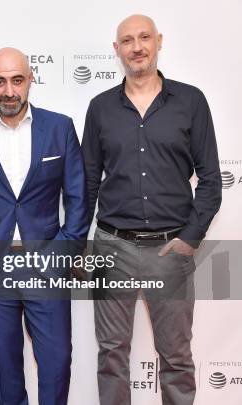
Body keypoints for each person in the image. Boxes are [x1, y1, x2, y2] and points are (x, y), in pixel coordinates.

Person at [82, 14, 222, 405]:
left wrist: (190, 238)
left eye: (144, 37)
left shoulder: (191, 101)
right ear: (117, 50)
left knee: (176, 356)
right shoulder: (100, 108)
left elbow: (211, 179)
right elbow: (88, 182)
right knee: (111, 354)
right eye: (127, 40)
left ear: (159, 41)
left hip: (170, 250)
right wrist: (80, 243)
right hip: (113, 248)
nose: (137, 47)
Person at [0, 47, 88, 405]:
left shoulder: (60, 127)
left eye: (17, 80)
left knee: (57, 362)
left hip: (45, 262)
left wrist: (65, 251)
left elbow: (77, 196)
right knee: (4, 366)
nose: (9, 90)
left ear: (30, 79)